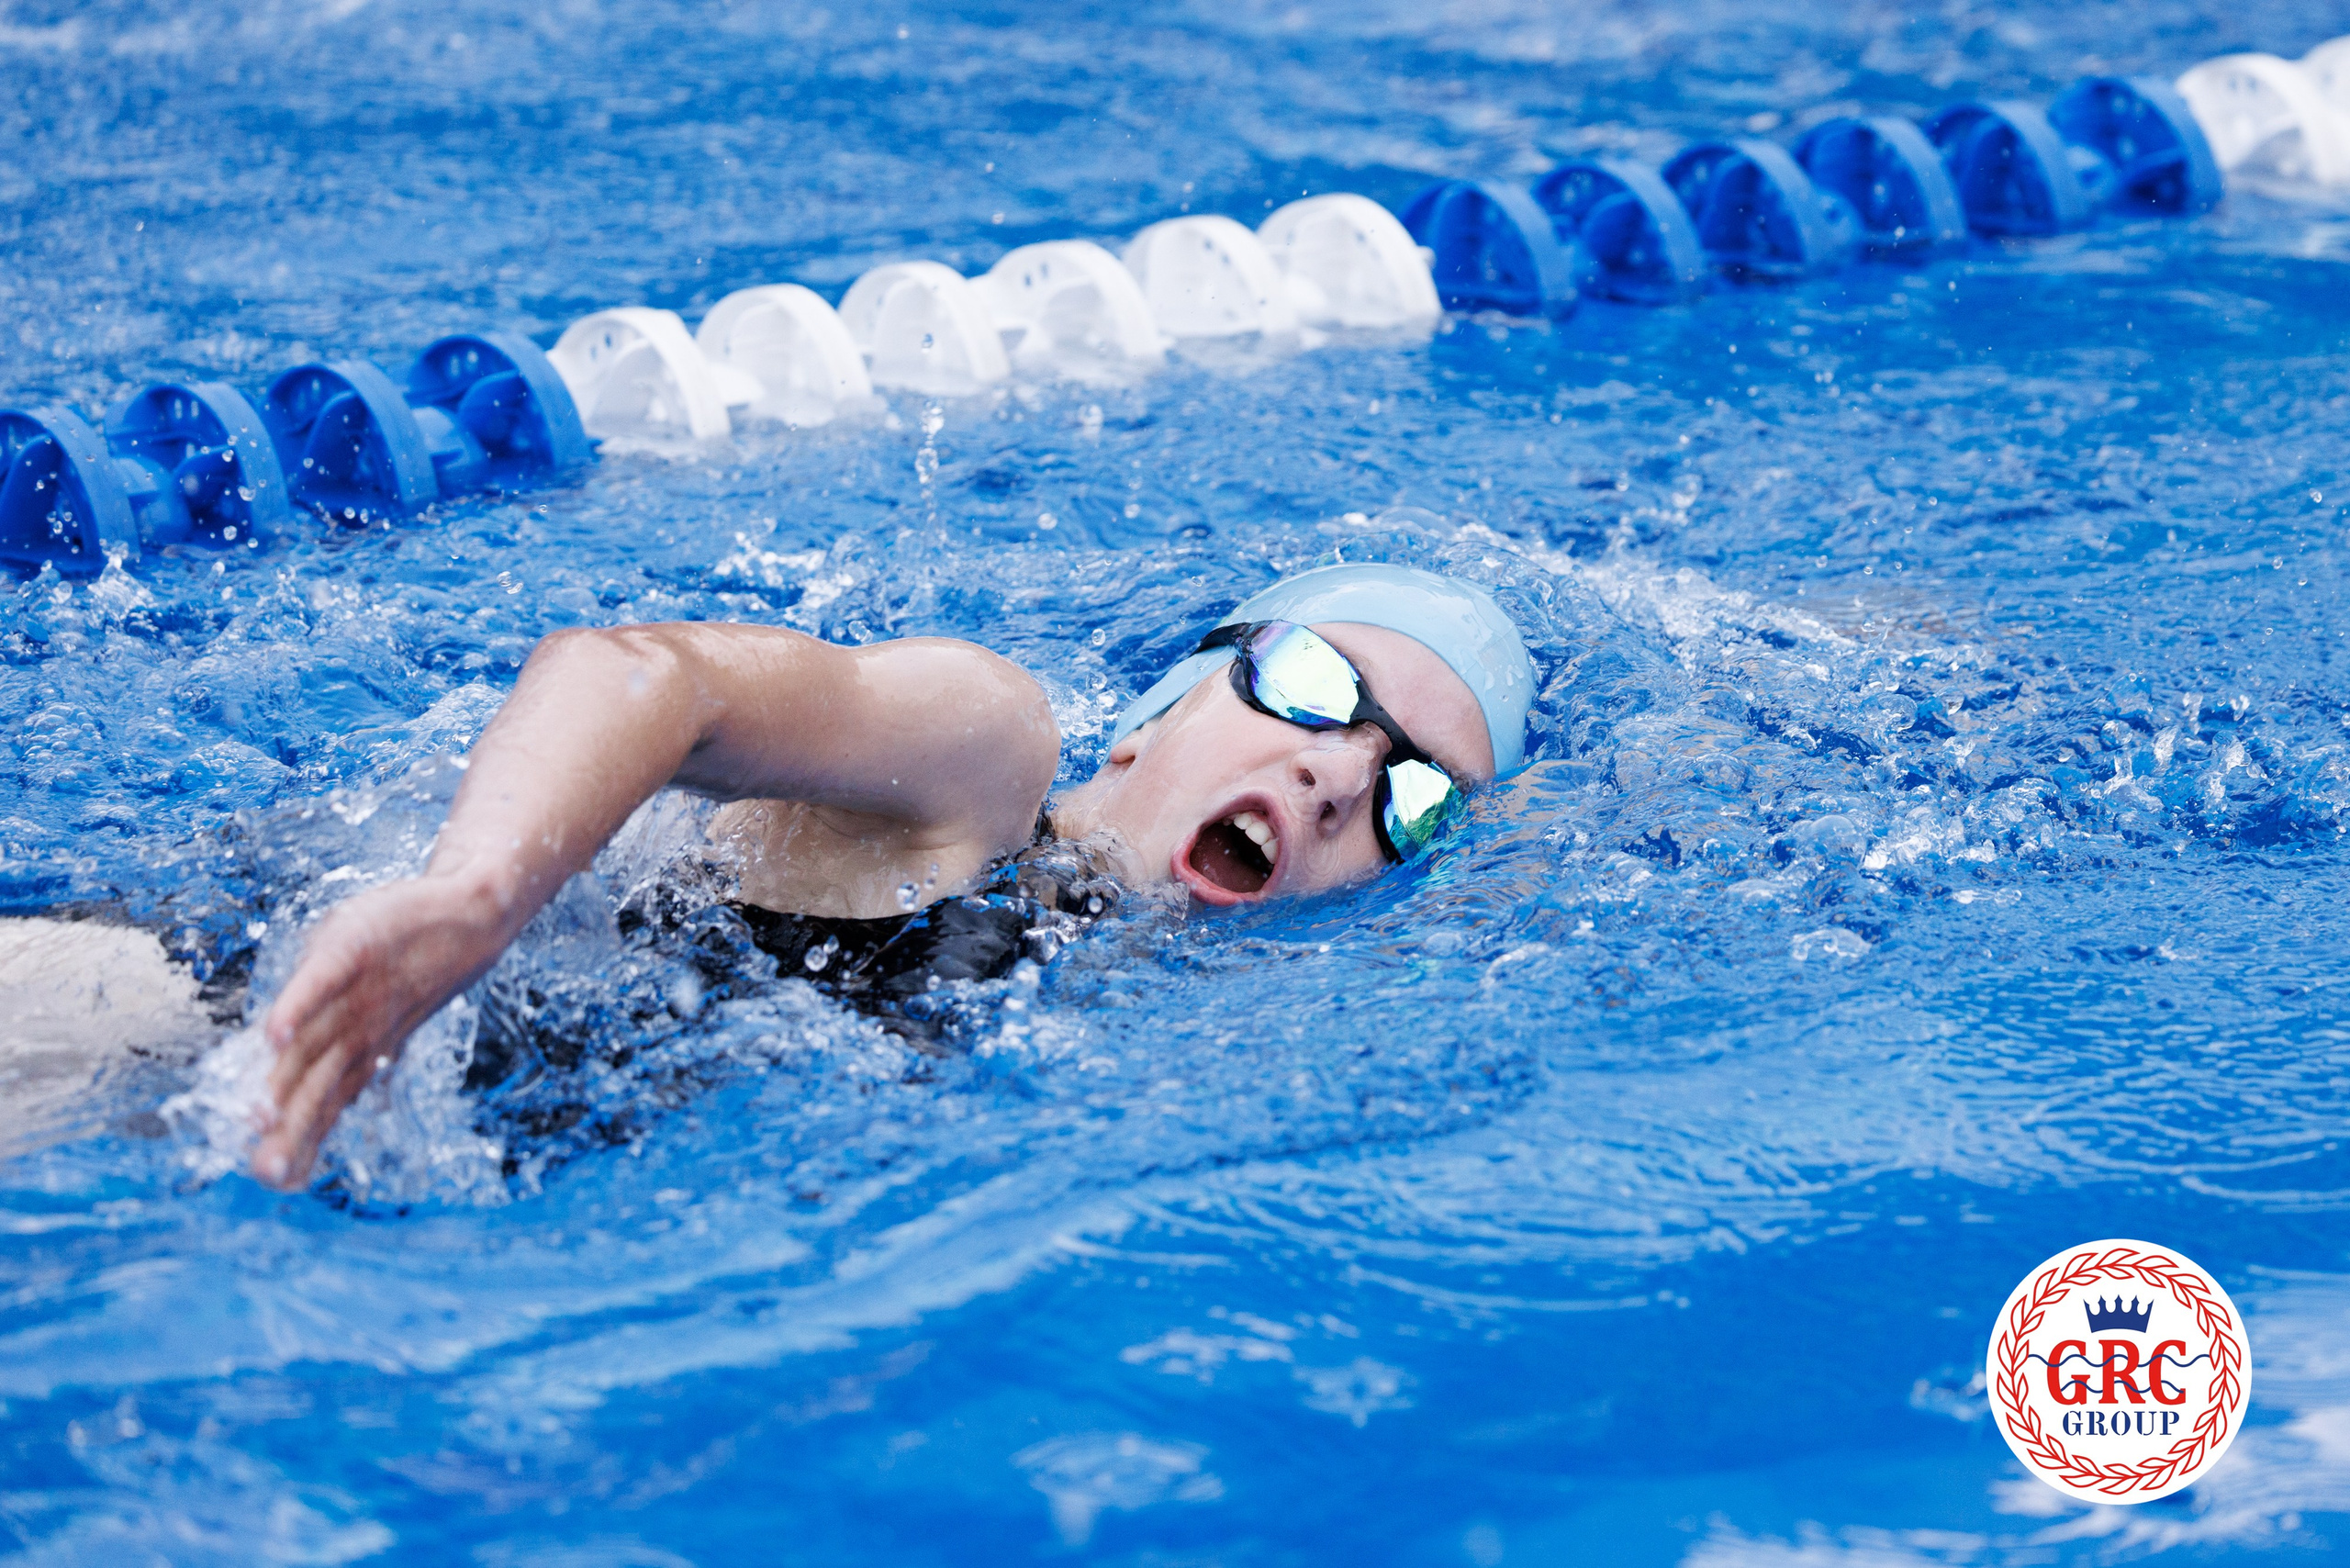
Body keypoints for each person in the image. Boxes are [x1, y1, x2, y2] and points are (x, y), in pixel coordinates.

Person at [252, 563, 1537, 1189]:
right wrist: (475, 896)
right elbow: (646, 675)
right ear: (1162, 711)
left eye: (1411, 796)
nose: (1337, 775)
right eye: (1310, 690)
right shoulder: (983, 762)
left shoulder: (1137, 1022)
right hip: (208, 995)